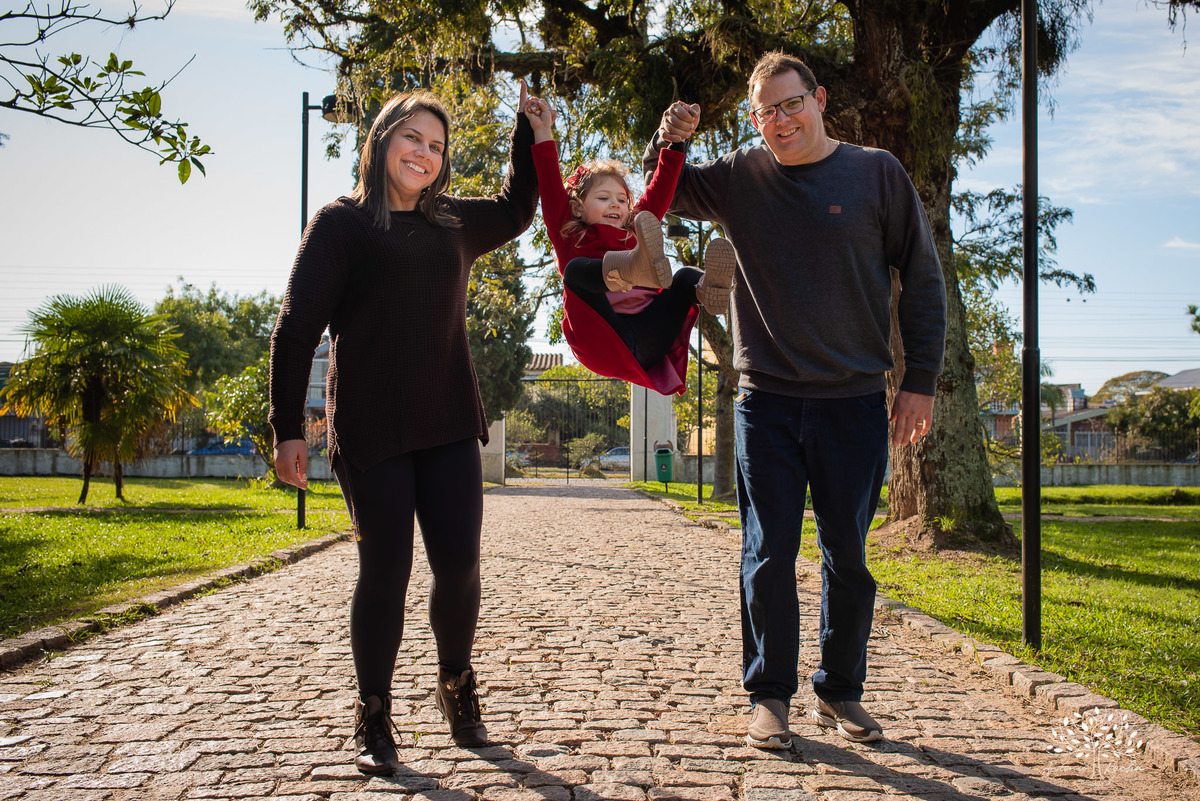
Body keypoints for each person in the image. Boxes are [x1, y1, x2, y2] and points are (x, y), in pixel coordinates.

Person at [645, 52, 946, 747]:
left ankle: (839, 690)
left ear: (819, 99)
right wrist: (671, 139)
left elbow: (922, 280)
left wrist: (920, 380)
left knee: (848, 554)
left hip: (854, 402)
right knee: (768, 552)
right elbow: (661, 195)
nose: (779, 121)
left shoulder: (877, 173)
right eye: (764, 112)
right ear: (754, 120)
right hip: (767, 401)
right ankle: (770, 694)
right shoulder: (742, 177)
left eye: (790, 104)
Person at [269, 83, 540, 774]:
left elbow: (516, 208)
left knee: (460, 565)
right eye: (413, 138)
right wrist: (288, 427)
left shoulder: (451, 220)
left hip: (447, 419)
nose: (424, 153)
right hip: (371, 427)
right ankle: (374, 711)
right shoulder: (342, 224)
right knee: (385, 568)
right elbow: (295, 328)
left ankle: (456, 684)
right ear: (383, 140)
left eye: (436, 145)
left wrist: (526, 129)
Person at [524, 96, 735, 395]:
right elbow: (547, 178)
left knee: (686, 276)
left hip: (648, 339)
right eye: (604, 198)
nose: (616, 204)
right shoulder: (569, 233)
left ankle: (710, 290)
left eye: (622, 200)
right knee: (575, 272)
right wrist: (542, 128)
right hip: (601, 341)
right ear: (578, 208)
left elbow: (661, 188)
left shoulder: (636, 230)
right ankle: (632, 269)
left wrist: (677, 142)